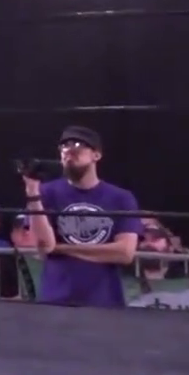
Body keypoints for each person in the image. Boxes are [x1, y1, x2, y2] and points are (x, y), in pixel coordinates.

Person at [24, 125, 142, 308]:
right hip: (56, 299)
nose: (69, 150)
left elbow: (124, 253)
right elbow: (44, 246)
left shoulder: (120, 197)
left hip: (104, 300)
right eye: (64, 146)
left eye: (78, 145)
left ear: (96, 155)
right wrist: (32, 194)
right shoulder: (45, 193)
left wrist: (60, 248)